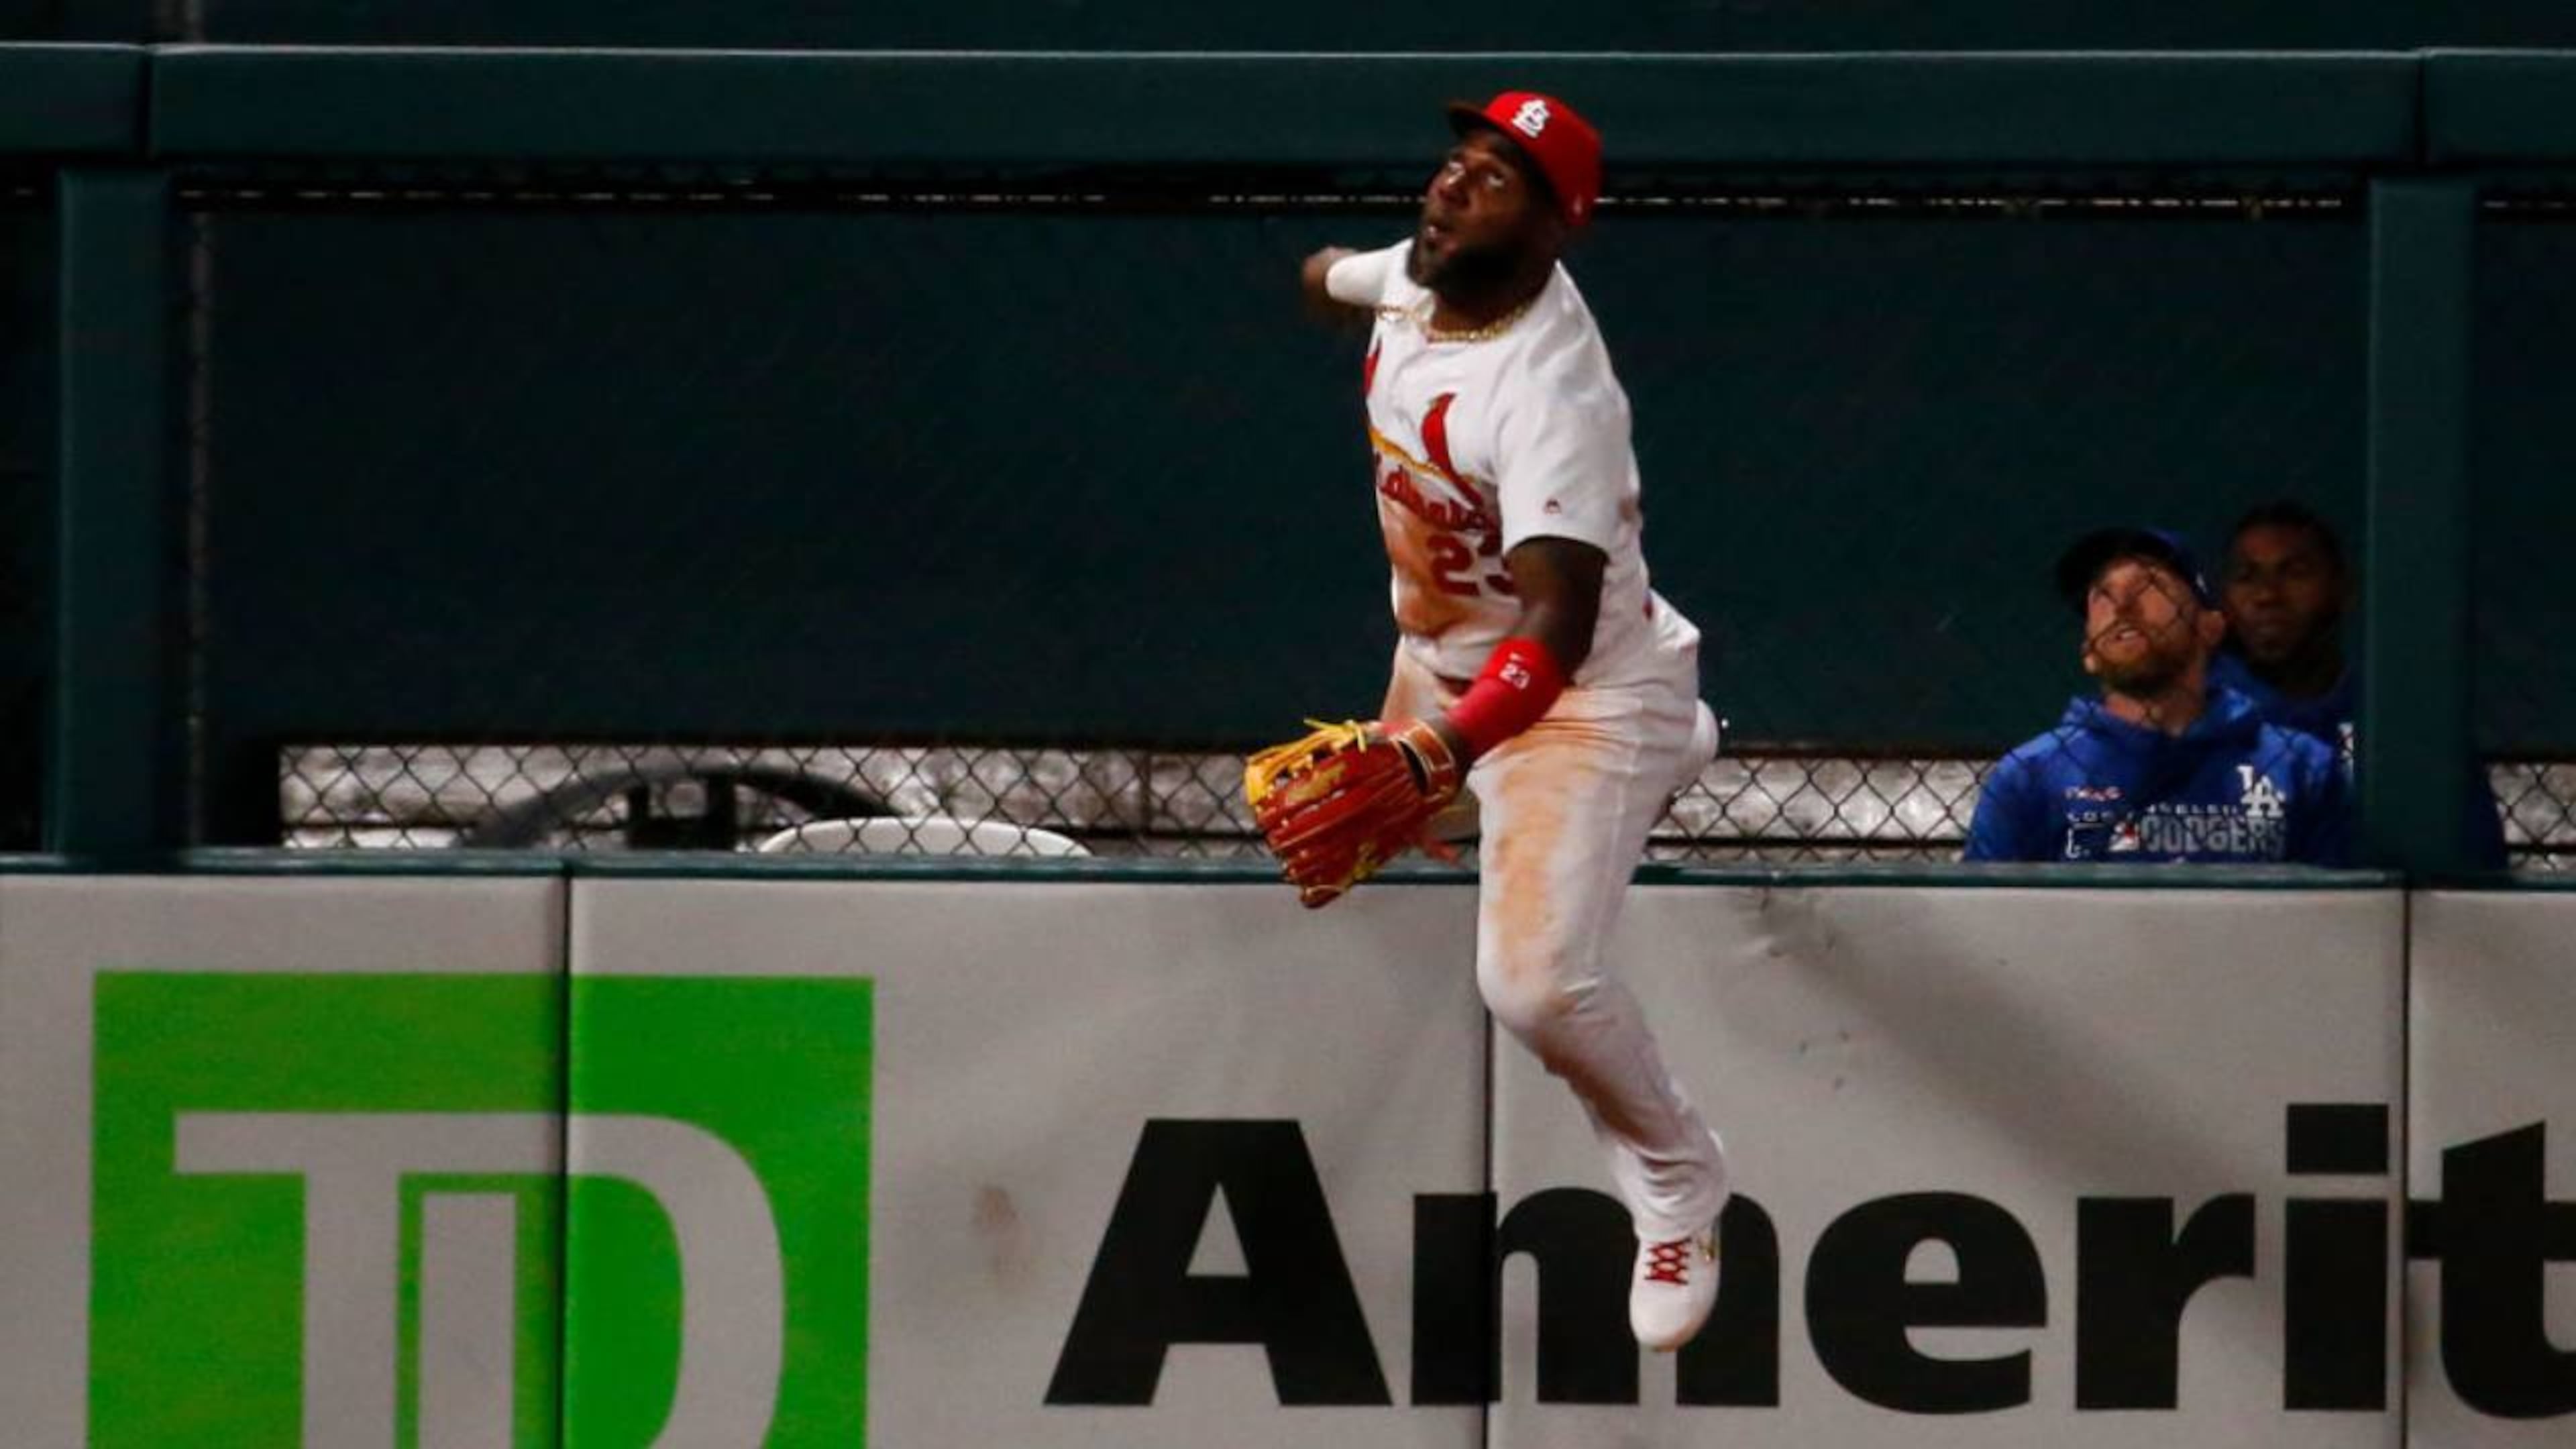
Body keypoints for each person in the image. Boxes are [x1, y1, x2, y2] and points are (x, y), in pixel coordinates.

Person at [1295, 91, 1728, 1352]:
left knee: (1533, 987)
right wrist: (1326, 279)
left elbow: (1553, 633)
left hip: (1577, 690)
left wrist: (1442, 749)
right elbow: (1331, 274)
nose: (1452, 186)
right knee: (1372, 845)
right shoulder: (1421, 275)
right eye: (1457, 161)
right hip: (1442, 653)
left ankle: (1680, 1181)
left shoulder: (1554, 398)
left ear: (1555, 227)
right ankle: (1675, 750)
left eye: (1496, 180)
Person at [1965, 527, 2349, 864]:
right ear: (2089, 653)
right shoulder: (2029, 777)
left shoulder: (2302, 768)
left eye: (2150, 585)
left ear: (2209, 628)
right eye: (2102, 595)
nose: (2122, 606)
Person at [2212, 500, 2508, 869]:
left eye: (2295, 573)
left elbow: (2479, 861)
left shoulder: (2401, 717)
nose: (2267, 596)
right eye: (2246, 577)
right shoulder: (2203, 713)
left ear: (2343, 590)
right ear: (2223, 601)